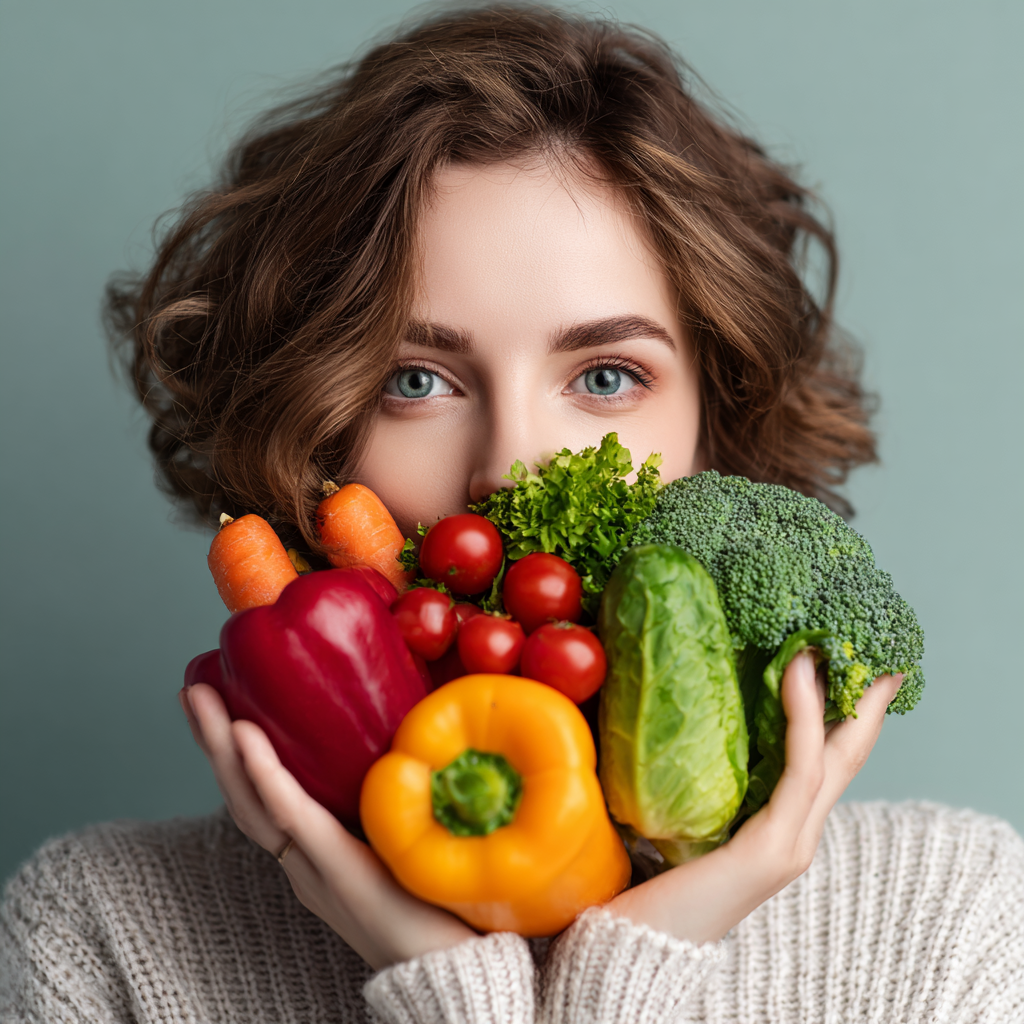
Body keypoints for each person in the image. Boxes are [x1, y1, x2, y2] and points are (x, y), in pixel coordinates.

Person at [2, 5, 1022, 1022]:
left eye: (608, 375)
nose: (509, 465)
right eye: (415, 381)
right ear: (316, 434)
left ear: (720, 425)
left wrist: (638, 952)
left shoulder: (951, 919)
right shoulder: (99, 938)